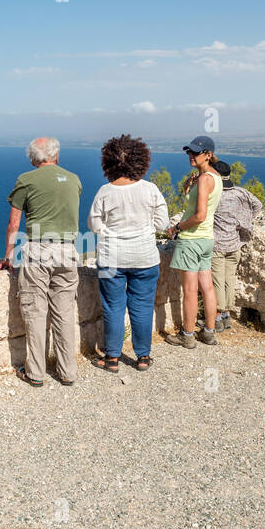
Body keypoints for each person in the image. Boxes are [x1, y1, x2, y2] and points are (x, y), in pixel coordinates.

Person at [0, 136, 82, 387]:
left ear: (34, 158)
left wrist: (8, 255)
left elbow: (14, 223)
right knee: (64, 312)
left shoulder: (26, 180)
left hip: (39, 250)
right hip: (68, 250)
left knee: (35, 311)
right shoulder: (74, 180)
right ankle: (68, 371)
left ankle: (36, 372)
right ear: (57, 155)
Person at [87, 135, 169, 373]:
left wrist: (110, 233)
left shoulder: (105, 191)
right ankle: (143, 357)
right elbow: (162, 223)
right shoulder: (150, 189)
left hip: (112, 258)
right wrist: (144, 230)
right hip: (145, 257)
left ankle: (112, 358)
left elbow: (94, 225)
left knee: (113, 307)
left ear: (108, 162)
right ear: (141, 160)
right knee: (142, 307)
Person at [166, 135, 222, 348]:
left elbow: (199, 215)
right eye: (189, 152)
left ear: (208, 155)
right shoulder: (214, 178)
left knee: (190, 290)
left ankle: (187, 335)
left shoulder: (205, 179)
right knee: (207, 288)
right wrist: (188, 189)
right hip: (206, 239)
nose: (190, 155)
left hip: (191, 240)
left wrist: (176, 228)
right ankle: (209, 332)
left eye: (195, 152)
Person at [209, 159, 262, 330]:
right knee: (229, 279)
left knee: (217, 281)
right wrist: (244, 219)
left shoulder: (214, 194)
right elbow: (257, 205)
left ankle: (217, 319)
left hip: (217, 245)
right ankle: (226, 316)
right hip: (234, 244)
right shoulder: (240, 192)